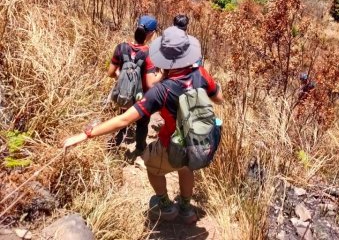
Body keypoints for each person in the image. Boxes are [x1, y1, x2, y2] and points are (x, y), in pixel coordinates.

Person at [64, 26, 223, 225]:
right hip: (199, 139)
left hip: (172, 141)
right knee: (185, 168)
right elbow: (219, 98)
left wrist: (87, 134)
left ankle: (165, 206)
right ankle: (186, 209)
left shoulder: (162, 90)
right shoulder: (201, 73)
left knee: (150, 164)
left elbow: (124, 120)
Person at [108, 14, 160, 154]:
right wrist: (163, 74)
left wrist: (122, 78)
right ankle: (139, 149)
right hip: (141, 97)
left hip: (124, 94)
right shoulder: (150, 54)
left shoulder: (121, 47)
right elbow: (150, 83)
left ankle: (116, 144)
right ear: (152, 34)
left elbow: (111, 72)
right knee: (142, 124)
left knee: (122, 118)